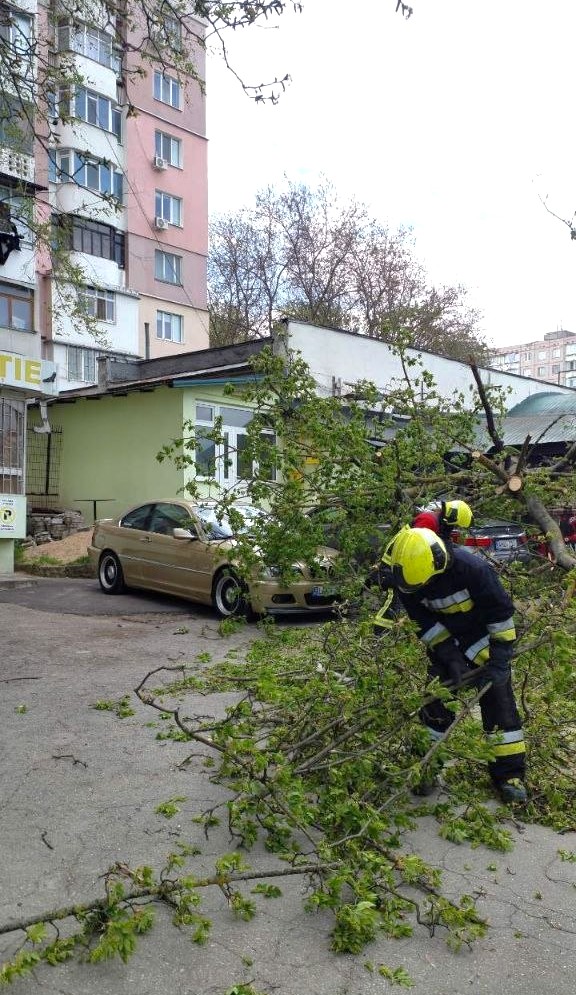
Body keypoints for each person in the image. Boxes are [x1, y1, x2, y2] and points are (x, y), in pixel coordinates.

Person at [382, 524, 527, 804]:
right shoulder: (409, 579)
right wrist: (448, 655)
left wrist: (499, 660)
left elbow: (501, 614)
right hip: (448, 645)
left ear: (437, 564)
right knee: (434, 705)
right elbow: (423, 622)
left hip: (486, 645)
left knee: (501, 710)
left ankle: (509, 777)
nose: (422, 590)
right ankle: (424, 768)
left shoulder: (473, 569)